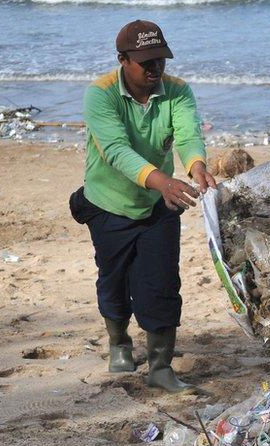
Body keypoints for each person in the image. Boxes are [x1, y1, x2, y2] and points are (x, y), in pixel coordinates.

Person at [69, 20, 216, 392]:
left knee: (161, 283)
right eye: (145, 63)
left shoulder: (178, 91)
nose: (155, 70)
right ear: (123, 60)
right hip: (108, 202)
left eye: (160, 61)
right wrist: (164, 179)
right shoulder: (99, 94)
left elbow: (187, 134)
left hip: (157, 204)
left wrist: (197, 165)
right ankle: (119, 342)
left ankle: (160, 365)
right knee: (113, 279)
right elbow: (116, 150)